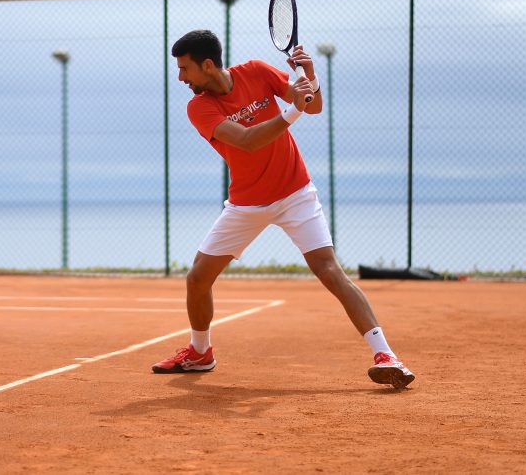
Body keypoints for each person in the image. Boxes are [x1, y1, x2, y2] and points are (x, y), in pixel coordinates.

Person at [151, 29, 415, 389]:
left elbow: (313, 104)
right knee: (198, 277)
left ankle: (386, 355)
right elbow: (245, 141)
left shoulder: (257, 72)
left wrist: (311, 78)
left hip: (296, 193)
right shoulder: (200, 106)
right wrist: (293, 112)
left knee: (329, 270)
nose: (181, 77)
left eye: (185, 69)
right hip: (247, 203)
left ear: (207, 64)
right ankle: (200, 352)